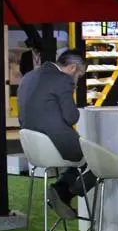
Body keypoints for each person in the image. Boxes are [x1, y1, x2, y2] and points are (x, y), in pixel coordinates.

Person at [17, 49, 93, 217]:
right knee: (97, 159)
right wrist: (72, 90)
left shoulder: (29, 76)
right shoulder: (63, 80)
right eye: (79, 75)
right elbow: (72, 117)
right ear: (73, 68)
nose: (77, 79)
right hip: (55, 143)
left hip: (32, 145)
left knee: (82, 159)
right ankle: (67, 191)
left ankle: (61, 191)